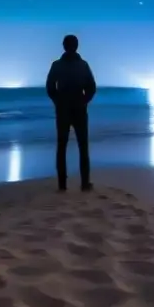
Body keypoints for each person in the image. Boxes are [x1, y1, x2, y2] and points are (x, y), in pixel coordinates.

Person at [45, 34, 97, 192]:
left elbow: (50, 87)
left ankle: (62, 185)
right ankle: (84, 183)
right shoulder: (82, 65)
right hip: (78, 109)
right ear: (76, 46)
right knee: (82, 146)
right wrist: (84, 100)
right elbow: (91, 87)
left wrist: (57, 100)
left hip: (64, 109)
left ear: (64, 46)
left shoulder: (58, 65)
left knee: (62, 147)